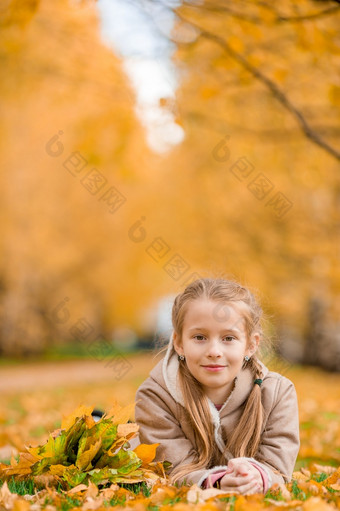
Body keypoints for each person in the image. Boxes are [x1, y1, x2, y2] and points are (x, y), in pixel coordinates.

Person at [133, 278, 300, 494]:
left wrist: (255, 477)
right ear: (179, 343)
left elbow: (278, 466)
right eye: (200, 337)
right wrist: (216, 480)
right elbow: (171, 468)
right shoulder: (155, 395)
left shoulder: (278, 394)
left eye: (228, 338)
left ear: (251, 345)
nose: (214, 351)